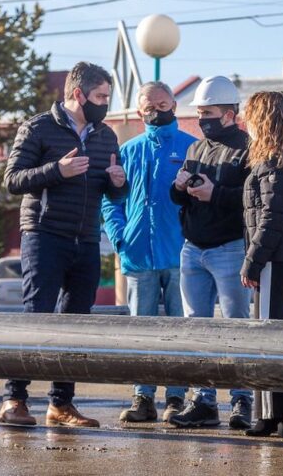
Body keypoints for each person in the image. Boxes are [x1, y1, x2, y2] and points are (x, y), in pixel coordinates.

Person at [0, 62, 127, 427]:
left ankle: (61, 404)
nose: (105, 103)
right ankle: (14, 400)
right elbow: (12, 180)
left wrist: (119, 182)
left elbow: (113, 191)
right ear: (78, 94)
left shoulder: (106, 136)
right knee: (35, 315)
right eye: (101, 96)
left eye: (107, 97)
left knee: (77, 323)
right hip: (44, 234)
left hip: (86, 237)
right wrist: (57, 170)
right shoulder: (38, 127)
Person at [102, 81, 196, 423]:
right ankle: (143, 397)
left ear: (173, 103)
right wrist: (119, 237)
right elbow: (111, 201)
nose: (157, 110)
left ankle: (176, 396)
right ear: (141, 111)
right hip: (138, 256)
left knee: (179, 330)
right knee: (141, 330)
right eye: (149, 106)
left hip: (179, 257)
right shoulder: (128, 150)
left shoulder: (192, 148)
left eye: (162, 103)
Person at [168, 76, 253, 430]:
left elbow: (252, 199)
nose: (203, 119)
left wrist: (214, 193)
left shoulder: (249, 149)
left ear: (231, 114)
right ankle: (202, 400)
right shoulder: (195, 149)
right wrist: (178, 188)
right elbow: (178, 198)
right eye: (200, 112)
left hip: (230, 248)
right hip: (193, 249)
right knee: (196, 330)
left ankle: (242, 401)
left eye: (209, 112)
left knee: (237, 328)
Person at [239, 91, 283, 438]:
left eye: (249, 116)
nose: (245, 123)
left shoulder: (275, 158)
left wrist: (252, 261)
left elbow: (271, 219)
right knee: (277, 334)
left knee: (265, 337)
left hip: (275, 259)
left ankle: (270, 415)